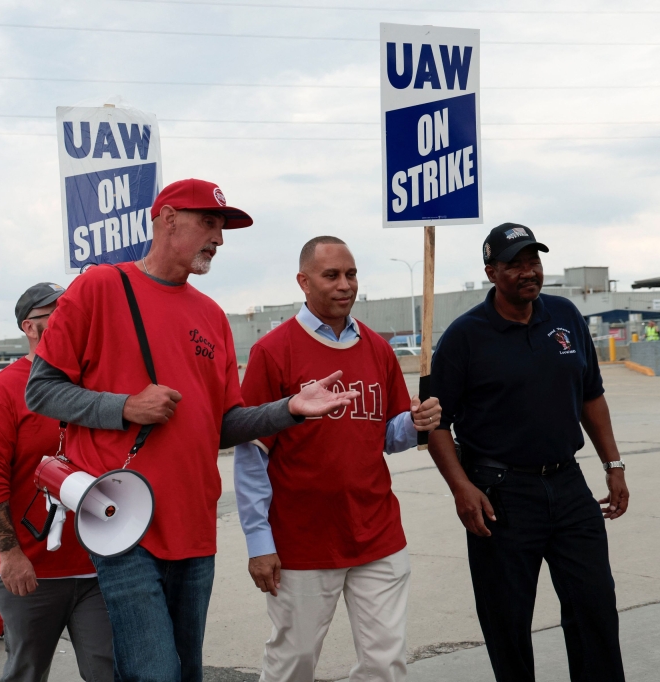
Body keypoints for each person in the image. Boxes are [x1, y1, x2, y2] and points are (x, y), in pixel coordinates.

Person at [25, 178, 360, 682]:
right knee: (154, 672)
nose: (219, 239)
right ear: (166, 218)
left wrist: (288, 409)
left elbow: (223, 426)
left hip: (195, 523)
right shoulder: (99, 287)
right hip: (122, 521)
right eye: (209, 223)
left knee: (185, 672)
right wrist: (125, 407)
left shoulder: (211, 316)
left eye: (221, 228)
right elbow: (42, 391)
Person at [234, 236, 443, 682]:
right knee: (294, 662)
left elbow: (386, 436)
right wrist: (259, 543)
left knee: (385, 663)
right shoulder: (273, 351)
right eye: (332, 275)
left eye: (350, 274)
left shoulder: (377, 348)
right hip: (302, 541)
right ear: (303, 282)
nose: (344, 285)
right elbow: (252, 455)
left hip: (377, 533)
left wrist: (416, 423)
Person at [428, 224, 629, 682]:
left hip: (569, 484)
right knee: (508, 620)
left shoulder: (564, 315)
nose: (528, 271)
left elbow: (591, 396)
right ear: (491, 272)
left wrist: (613, 464)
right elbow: (435, 424)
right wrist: (462, 489)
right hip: (500, 495)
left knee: (594, 604)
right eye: (515, 264)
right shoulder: (465, 337)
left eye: (533, 261)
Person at [0, 282, 114, 682]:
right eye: (58, 317)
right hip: (29, 573)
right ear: (29, 328)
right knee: (26, 673)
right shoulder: (2, 392)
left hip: (99, 566)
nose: (72, 324)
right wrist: (10, 555)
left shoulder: (97, 381)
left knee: (111, 671)